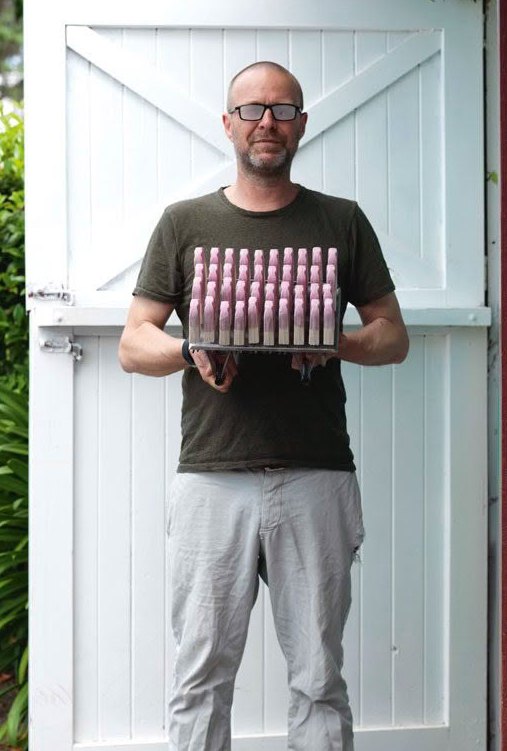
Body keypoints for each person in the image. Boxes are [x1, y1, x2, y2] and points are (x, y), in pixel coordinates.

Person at [118, 60, 409, 751]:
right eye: (252, 109)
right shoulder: (185, 223)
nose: (267, 122)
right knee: (201, 676)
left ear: (302, 123)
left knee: (317, 677)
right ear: (228, 124)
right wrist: (192, 352)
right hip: (212, 477)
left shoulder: (341, 221)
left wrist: (331, 344)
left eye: (282, 109)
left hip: (315, 473)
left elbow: (392, 335)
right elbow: (134, 342)